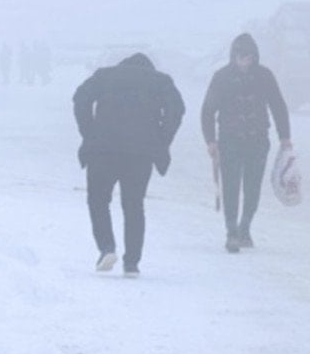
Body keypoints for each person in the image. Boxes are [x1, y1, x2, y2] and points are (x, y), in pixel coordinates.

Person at [73, 53, 185, 277]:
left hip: (103, 149)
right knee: (134, 205)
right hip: (140, 153)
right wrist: (161, 138)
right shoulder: (159, 81)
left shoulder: (106, 76)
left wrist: (90, 132)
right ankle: (132, 263)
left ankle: (106, 248)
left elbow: (80, 98)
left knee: (98, 200)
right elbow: (177, 109)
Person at [200, 32, 292, 252]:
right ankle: (231, 231)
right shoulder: (221, 77)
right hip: (229, 142)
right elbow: (207, 111)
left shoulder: (264, 76)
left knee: (252, 189)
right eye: (240, 55)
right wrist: (211, 141)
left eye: (248, 56)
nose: (244, 60)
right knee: (231, 187)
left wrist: (285, 137)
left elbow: (278, 106)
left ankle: (245, 227)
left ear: (255, 56)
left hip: (257, 141)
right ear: (233, 55)